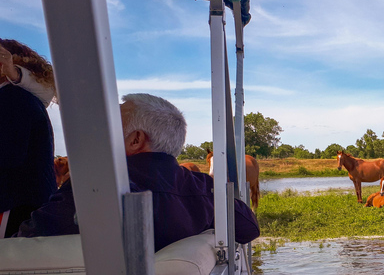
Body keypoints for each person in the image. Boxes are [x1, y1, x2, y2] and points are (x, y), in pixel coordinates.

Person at [16, 93, 260, 250]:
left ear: (135, 140)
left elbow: (26, 242)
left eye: (111, 124)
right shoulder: (203, 188)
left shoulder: (92, 188)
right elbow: (249, 227)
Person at [0, 39, 57, 238]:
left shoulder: (12, 98)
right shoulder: (22, 98)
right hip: (28, 204)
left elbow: (8, 155)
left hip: (13, 204)